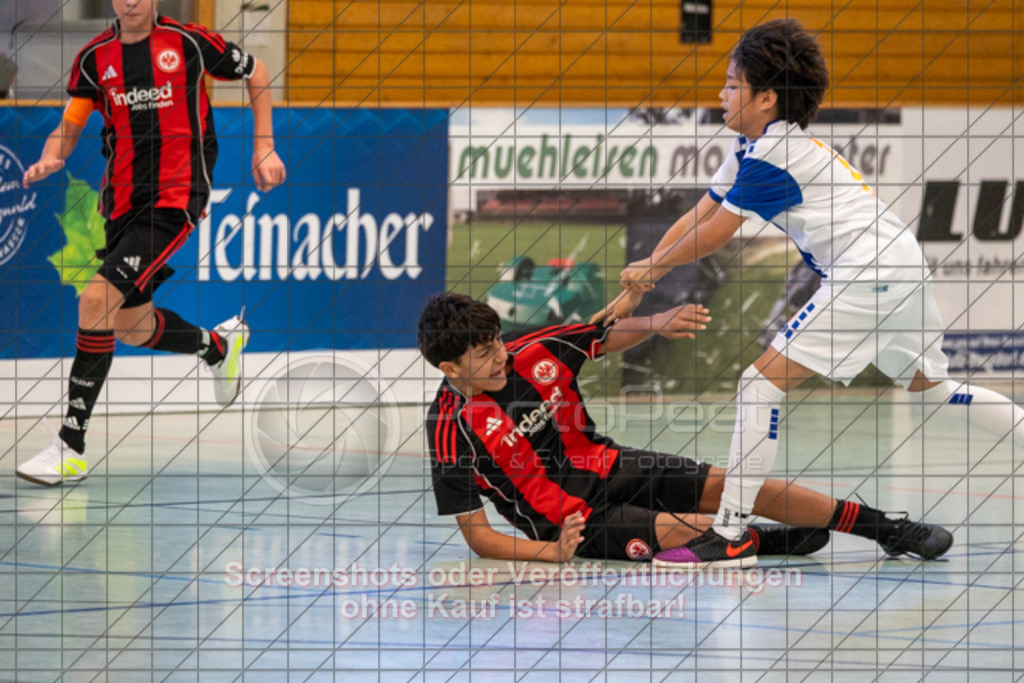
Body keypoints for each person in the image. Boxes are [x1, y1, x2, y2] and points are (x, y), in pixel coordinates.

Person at [594, 18, 1012, 567]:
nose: (721, 94)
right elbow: (701, 212)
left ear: (766, 97)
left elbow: (717, 233)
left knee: (757, 385)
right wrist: (644, 276)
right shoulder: (753, 147)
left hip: (869, 271)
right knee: (935, 389)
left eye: (731, 84)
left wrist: (647, 268)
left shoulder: (775, 154)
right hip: (899, 265)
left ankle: (732, 532)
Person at [420, 292, 953, 567]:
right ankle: (766, 541)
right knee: (688, 529)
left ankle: (887, 530)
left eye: (497, 342)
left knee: (738, 485)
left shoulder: (529, 349)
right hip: (575, 523)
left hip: (616, 465)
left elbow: (599, 335)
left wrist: (655, 322)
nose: (500, 355)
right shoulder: (449, 429)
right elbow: (480, 537)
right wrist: (553, 552)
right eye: (485, 353)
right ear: (450, 369)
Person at [16, 0, 286, 486]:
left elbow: (258, 70)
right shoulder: (95, 58)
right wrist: (52, 155)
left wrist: (263, 144)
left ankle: (69, 446)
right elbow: (70, 123)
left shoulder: (190, 43)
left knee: (94, 300)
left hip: (176, 197)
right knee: (131, 326)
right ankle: (218, 347)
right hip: (120, 203)